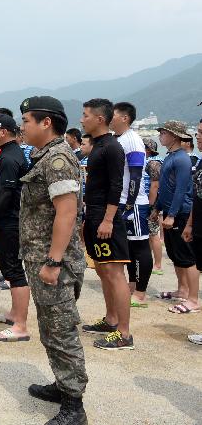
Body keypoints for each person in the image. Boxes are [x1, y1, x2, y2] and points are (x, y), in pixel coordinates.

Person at [19, 96, 88, 425]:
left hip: (54, 265)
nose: (22, 126)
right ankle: (62, 385)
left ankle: (74, 406)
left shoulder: (58, 158)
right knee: (50, 328)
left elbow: (67, 211)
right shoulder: (45, 155)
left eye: (26, 120)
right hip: (42, 260)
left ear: (46, 123)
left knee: (61, 332)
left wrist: (54, 261)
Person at [78, 99, 134, 351]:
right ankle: (111, 320)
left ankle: (124, 334)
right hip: (93, 215)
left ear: (99, 119)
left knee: (114, 273)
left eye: (85, 115)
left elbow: (116, 185)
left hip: (106, 217)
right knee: (102, 270)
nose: (81, 119)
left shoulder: (112, 147)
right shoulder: (98, 145)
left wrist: (109, 219)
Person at [0, 114, 30, 342]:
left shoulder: (11, 158)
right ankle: (14, 314)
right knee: (8, 268)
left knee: (14, 270)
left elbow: (6, 193)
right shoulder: (7, 154)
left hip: (9, 221)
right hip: (6, 219)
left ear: (3, 132)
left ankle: (21, 325)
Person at [111, 102, 153, 309]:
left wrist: (129, 203)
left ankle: (141, 292)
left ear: (125, 118)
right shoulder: (119, 139)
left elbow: (136, 173)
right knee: (127, 247)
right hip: (121, 201)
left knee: (139, 247)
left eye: (114, 114)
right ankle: (131, 284)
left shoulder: (133, 140)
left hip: (134, 203)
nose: (110, 117)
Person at [152, 120, 196, 312]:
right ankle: (182, 289)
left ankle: (192, 297)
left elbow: (180, 190)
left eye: (163, 133)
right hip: (168, 210)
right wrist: (157, 208)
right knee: (174, 254)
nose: (160, 135)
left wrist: (171, 215)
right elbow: (164, 187)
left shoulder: (182, 159)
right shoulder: (170, 156)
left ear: (174, 136)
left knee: (186, 256)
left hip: (180, 213)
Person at [183, 119, 202, 344]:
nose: (197, 137)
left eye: (200, 133)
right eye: (196, 132)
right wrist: (189, 224)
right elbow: (196, 197)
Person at [143, 138, 164, 276]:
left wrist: (151, 206)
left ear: (148, 150)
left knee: (153, 235)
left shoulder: (153, 163)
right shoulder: (150, 162)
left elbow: (155, 186)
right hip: (147, 203)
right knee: (149, 235)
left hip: (151, 204)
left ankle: (158, 264)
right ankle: (152, 262)